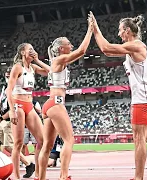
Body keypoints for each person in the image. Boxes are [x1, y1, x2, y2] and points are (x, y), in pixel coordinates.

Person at [89, 11, 147, 180]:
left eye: (120, 30)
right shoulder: (136, 47)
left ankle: (138, 178)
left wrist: (95, 29)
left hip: (142, 100)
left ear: (127, 31)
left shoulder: (136, 45)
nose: (118, 34)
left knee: (139, 140)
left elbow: (106, 49)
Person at [38, 15, 93, 180]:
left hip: (48, 105)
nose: (71, 45)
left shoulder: (55, 62)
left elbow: (46, 69)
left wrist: (36, 62)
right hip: (56, 103)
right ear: (61, 48)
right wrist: (90, 30)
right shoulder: (60, 59)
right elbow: (82, 51)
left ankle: (40, 177)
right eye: (69, 44)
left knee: (47, 146)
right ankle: (64, 176)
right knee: (69, 140)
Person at [6, 44, 50, 180]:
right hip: (18, 106)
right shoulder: (17, 67)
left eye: (33, 49)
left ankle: (38, 174)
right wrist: (12, 111)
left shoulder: (32, 68)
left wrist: (37, 60)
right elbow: (9, 90)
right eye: (29, 49)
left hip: (29, 105)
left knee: (43, 141)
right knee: (18, 143)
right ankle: (17, 177)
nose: (32, 51)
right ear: (22, 52)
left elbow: (50, 71)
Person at [0, 66, 35, 178]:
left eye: (8, 75)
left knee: (9, 146)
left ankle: (28, 164)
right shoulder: (5, 88)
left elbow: (12, 109)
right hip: (3, 120)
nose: (6, 77)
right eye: (5, 75)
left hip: (8, 120)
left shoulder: (14, 89)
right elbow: (4, 105)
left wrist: (0, 118)